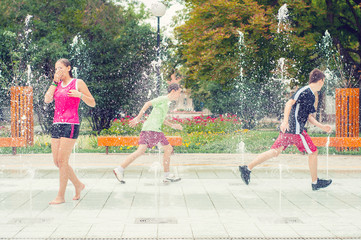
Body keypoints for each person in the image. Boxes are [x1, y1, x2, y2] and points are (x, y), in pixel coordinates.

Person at [239, 68, 332, 191]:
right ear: (320, 80)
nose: (323, 84)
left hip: (291, 130)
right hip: (295, 130)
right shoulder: (304, 91)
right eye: (323, 82)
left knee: (275, 152)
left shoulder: (312, 96)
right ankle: (315, 183)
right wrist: (285, 121)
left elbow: (308, 116)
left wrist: (322, 126)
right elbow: (289, 103)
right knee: (313, 152)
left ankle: (247, 168)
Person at [44, 58, 96, 204]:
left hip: (71, 123)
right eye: (56, 69)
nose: (57, 71)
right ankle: (78, 185)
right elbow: (47, 99)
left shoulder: (77, 83)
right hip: (57, 123)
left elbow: (92, 102)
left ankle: (60, 196)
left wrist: (80, 95)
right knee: (57, 161)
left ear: (68, 68)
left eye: (60, 68)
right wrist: (54, 82)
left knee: (63, 160)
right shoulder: (57, 84)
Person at [113, 83, 183, 183]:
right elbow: (147, 104)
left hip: (148, 128)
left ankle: (119, 169)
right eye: (179, 92)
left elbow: (161, 119)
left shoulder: (166, 102)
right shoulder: (163, 99)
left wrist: (172, 125)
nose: (179, 95)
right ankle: (167, 175)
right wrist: (138, 118)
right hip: (153, 129)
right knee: (168, 148)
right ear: (173, 91)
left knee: (140, 151)